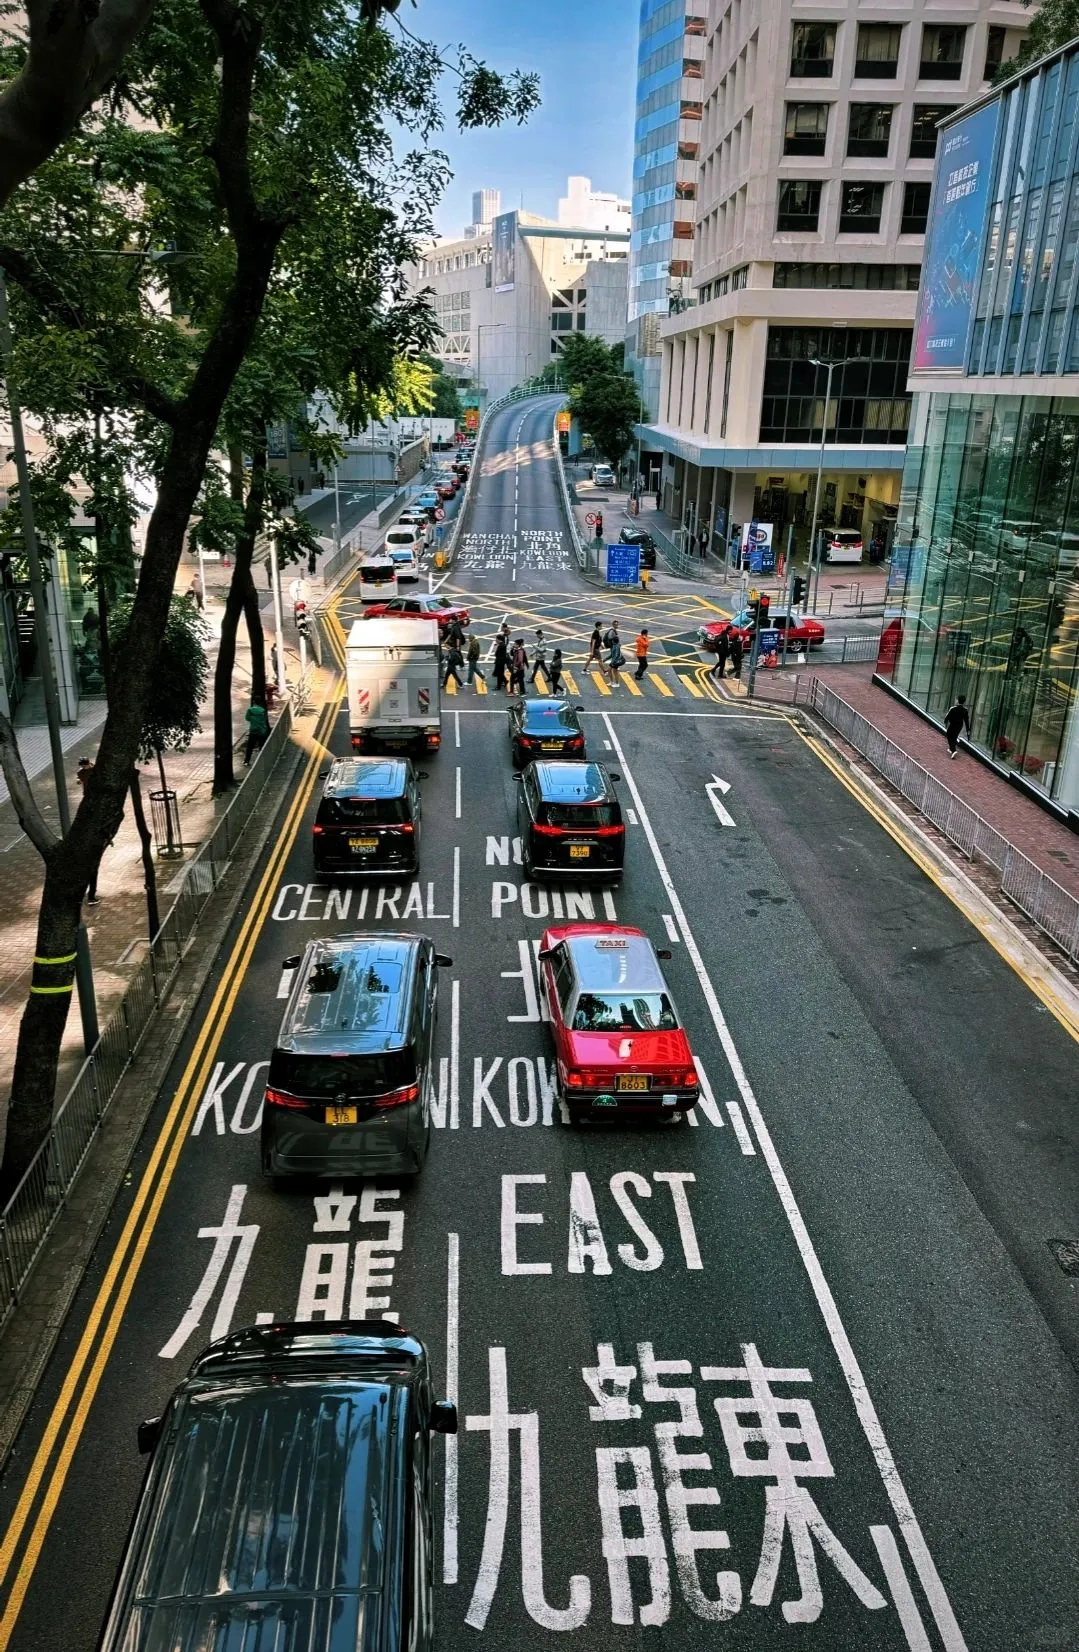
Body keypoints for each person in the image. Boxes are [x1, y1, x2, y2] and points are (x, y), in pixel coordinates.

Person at [76, 759, 101, 905]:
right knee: (92, 876)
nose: (83, 768)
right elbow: (79, 778)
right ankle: (91, 897)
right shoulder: (81, 772)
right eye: (82, 766)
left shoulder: (94, 770)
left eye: (84, 765)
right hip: (88, 795)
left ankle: (90, 896)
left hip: (94, 794)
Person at [244, 699, 270, 765]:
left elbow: (247, 718)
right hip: (261, 731)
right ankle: (263, 761)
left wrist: (253, 719)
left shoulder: (250, 710)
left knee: (250, 747)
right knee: (262, 746)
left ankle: (246, 761)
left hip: (253, 730)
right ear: (260, 703)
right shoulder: (263, 710)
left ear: (254, 702)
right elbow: (264, 719)